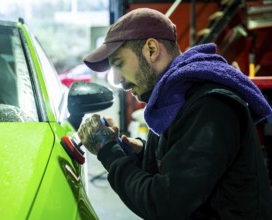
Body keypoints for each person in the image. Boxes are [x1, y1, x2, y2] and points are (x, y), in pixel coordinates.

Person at [78, 8, 272, 219]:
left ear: (151, 49)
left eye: (119, 63)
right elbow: (183, 169)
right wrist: (141, 155)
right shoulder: (171, 101)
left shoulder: (210, 106)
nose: (118, 81)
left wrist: (109, 153)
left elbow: (165, 205)